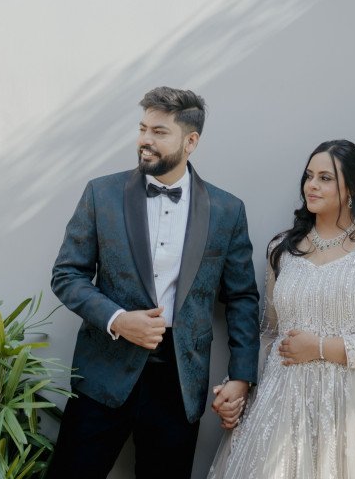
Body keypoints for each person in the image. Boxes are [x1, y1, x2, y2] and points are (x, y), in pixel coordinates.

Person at [48, 87, 260, 479]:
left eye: (159, 132)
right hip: (103, 373)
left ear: (190, 141)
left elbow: (242, 298)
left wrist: (242, 376)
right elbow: (67, 274)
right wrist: (117, 319)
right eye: (143, 128)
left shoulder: (227, 210)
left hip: (179, 382)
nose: (145, 139)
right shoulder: (101, 194)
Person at [207, 139, 355, 479]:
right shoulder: (283, 249)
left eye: (325, 178)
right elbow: (269, 333)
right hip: (283, 404)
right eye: (309, 176)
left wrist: (322, 347)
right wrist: (238, 384)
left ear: (351, 188)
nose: (311, 185)